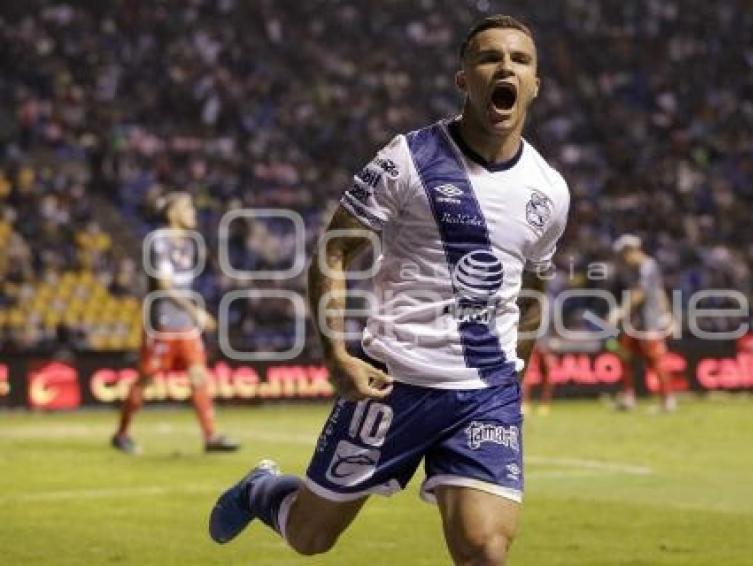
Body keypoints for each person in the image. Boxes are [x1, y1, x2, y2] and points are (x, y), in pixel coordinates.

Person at [209, 15, 569, 564]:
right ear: (463, 78)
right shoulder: (410, 159)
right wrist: (335, 353)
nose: (505, 67)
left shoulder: (549, 190)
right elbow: (333, 251)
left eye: (520, 60)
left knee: (485, 551)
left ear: (535, 84)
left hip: (484, 394)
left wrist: (517, 369)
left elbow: (534, 288)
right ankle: (262, 490)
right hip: (391, 383)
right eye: (489, 57)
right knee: (310, 537)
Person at [111, 192, 240, 454]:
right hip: (162, 323)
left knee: (198, 376)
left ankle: (211, 436)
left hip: (186, 326)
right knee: (146, 379)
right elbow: (164, 286)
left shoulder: (191, 243)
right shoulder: (159, 241)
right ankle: (122, 433)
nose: (193, 212)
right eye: (187, 207)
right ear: (172, 214)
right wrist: (196, 312)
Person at [610, 234, 677, 412]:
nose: (623, 260)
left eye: (624, 255)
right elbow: (660, 291)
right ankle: (628, 397)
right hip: (637, 323)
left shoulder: (648, 267)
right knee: (624, 353)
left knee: (656, 361)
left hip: (649, 322)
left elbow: (641, 292)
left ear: (631, 251)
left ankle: (667, 400)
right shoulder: (639, 269)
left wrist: (621, 310)